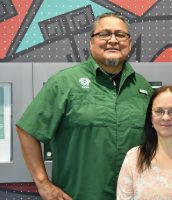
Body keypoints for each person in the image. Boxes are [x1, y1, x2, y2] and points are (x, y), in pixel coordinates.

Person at [16, 12, 153, 200]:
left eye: (120, 35)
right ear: (90, 43)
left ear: (129, 44)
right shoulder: (64, 83)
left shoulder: (143, 88)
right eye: (104, 34)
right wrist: (42, 183)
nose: (113, 40)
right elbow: (28, 129)